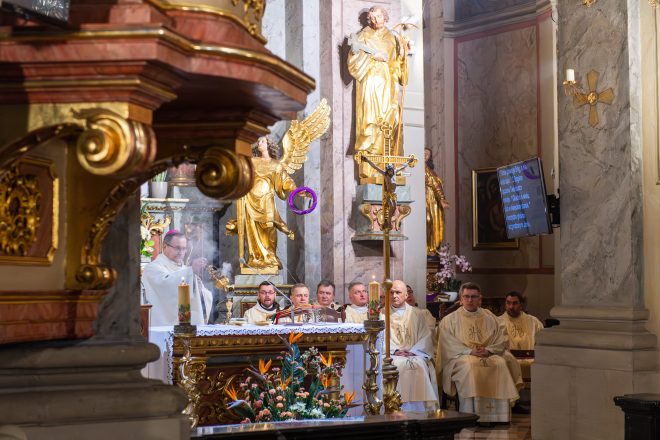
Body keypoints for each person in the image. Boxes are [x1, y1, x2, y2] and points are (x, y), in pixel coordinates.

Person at [438, 282, 522, 423]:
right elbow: (447, 344)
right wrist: (469, 351)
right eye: (466, 297)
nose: (470, 300)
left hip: (487, 354)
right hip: (462, 357)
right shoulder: (450, 320)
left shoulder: (491, 318)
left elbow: (501, 340)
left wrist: (488, 350)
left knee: (500, 363)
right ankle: (470, 415)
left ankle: (498, 417)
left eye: (473, 297)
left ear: (480, 299)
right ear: (461, 298)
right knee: (471, 366)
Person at [348, 5, 409, 181]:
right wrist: (371, 57)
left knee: (392, 119)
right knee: (371, 120)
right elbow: (353, 59)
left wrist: (404, 57)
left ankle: (389, 164)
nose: (375, 21)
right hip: (370, 84)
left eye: (378, 17)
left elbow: (398, 68)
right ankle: (370, 167)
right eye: (372, 18)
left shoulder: (393, 38)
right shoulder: (363, 36)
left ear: (385, 17)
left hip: (388, 85)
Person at [225, 136, 297, 274]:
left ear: (269, 145)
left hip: (267, 201)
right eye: (258, 142)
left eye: (262, 141)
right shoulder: (252, 161)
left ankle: (270, 257)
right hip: (251, 200)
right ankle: (255, 258)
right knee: (252, 230)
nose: (259, 143)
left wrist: (297, 191)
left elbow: (286, 181)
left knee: (269, 229)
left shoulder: (277, 165)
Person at [142, 230, 213, 326]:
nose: (181, 252)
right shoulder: (153, 268)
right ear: (164, 247)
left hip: (187, 328)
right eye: (177, 248)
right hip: (162, 327)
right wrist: (191, 271)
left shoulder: (185, 270)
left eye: (184, 249)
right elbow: (166, 286)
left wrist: (199, 290)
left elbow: (204, 299)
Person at [388, 280, 439, 409]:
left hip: (414, 353)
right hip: (392, 355)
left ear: (406, 295)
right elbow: (380, 339)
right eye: (391, 292)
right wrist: (394, 351)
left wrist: (414, 351)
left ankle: (420, 410)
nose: (394, 296)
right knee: (396, 365)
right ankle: (396, 408)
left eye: (398, 292)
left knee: (419, 365)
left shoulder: (417, 314)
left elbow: (425, 336)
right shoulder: (382, 315)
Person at [498, 291, 544, 414]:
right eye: (508, 303)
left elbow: (542, 341)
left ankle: (538, 402)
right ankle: (513, 402)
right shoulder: (498, 322)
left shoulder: (533, 321)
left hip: (531, 358)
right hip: (509, 359)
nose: (511, 306)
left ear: (521, 305)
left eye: (515, 303)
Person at [424, 147, 449, 255]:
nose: (425, 155)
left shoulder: (430, 171)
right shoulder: (419, 168)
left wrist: (442, 199)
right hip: (425, 198)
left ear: (429, 158)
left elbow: (437, 185)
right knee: (428, 220)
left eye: (427, 154)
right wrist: (442, 199)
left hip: (432, 199)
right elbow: (434, 184)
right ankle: (427, 247)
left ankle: (431, 247)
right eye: (423, 153)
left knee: (432, 221)